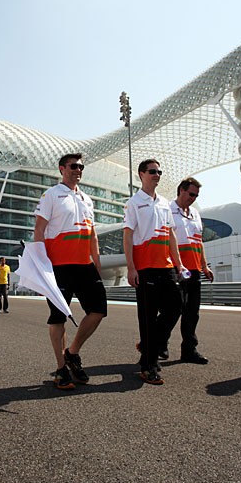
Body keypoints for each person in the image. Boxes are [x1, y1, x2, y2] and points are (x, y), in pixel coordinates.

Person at [34, 153, 107, 390]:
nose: (78, 170)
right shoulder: (52, 194)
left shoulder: (86, 198)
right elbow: (39, 230)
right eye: (73, 166)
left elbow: (93, 234)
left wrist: (97, 263)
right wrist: (42, 264)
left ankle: (72, 352)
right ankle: (60, 368)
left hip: (85, 266)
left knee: (98, 311)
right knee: (58, 317)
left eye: (81, 167)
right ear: (62, 169)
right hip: (59, 267)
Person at [123, 159, 187, 385]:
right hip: (146, 268)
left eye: (159, 171)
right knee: (148, 318)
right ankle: (148, 366)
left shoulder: (164, 203)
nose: (157, 175)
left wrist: (179, 264)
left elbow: (171, 235)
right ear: (141, 174)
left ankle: (151, 344)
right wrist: (131, 268)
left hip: (166, 266)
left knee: (176, 307)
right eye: (152, 171)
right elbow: (128, 236)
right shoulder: (133, 203)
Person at [161, 177, 214, 365]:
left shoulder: (195, 214)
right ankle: (159, 343)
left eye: (196, 196)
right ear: (181, 191)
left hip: (194, 270)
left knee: (192, 312)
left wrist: (204, 266)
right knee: (173, 309)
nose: (193, 198)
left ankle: (189, 349)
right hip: (175, 269)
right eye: (191, 194)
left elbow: (199, 242)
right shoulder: (167, 209)